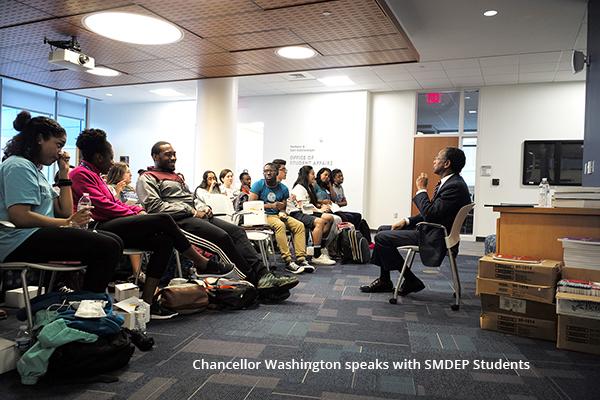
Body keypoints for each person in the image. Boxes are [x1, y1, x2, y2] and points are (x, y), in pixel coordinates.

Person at [70, 129, 236, 317]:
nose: (112, 162)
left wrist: (138, 211)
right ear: (99, 157)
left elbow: (115, 203)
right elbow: (103, 207)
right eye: (110, 158)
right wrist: (137, 213)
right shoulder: (79, 174)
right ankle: (200, 262)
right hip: (98, 227)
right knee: (163, 218)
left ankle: (148, 303)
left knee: (164, 240)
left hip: (115, 223)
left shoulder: (97, 176)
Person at [137, 141, 298, 302]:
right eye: (168, 154)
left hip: (195, 215)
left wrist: (204, 207)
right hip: (176, 221)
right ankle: (254, 281)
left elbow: (192, 199)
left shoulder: (176, 177)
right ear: (155, 156)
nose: (173, 157)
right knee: (221, 238)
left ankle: (263, 274)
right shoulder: (147, 178)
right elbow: (155, 207)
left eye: (174, 154)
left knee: (237, 232)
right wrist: (192, 211)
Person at [0, 111, 120, 293]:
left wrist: (64, 173)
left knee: (114, 241)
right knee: (107, 246)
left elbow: (64, 210)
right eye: (58, 145)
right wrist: (67, 223)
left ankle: (86, 301)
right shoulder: (17, 165)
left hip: (34, 234)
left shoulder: (35, 170)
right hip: (17, 239)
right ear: (40, 138)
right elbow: (20, 217)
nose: (60, 152)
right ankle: (88, 304)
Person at [360, 147, 471, 296]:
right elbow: (434, 211)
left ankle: (410, 279)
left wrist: (421, 189)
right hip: (434, 230)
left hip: (436, 237)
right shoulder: (451, 183)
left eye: (437, 157)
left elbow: (430, 214)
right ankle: (385, 280)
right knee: (381, 230)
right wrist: (406, 221)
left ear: (446, 163)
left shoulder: (454, 186)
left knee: (381, 237)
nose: (434, 161)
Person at [249, 163, 314, 274]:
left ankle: (301, 259)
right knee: (280, 225)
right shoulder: (258, 185)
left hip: (278, 215)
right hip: (263, 216)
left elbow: (283, 206)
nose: (268, 173)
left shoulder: (283, 188)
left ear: (276, 173)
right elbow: (250, 205)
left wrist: (282, 212)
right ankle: (288, 261)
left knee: (299, 225)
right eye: (266, 171)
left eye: (271, 171)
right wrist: (270, 206)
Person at [289, 166, 336, 266]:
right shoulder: (299, 188)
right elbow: (303, 207)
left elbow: (310, 205)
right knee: (320, 222)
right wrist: (319, 210)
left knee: (329, 218)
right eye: (312, 174)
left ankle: (319, 247)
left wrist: (320, 209)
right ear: (306, 175)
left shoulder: (308, 187)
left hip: (305, 212)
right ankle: (316, 255)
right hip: (297, 213)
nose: (314, 176)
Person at [330, 168, 372, 243]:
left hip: (339, 209)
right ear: (334, 178)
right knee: (350, 217)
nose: (342, 178)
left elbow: (345, 202)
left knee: (358, 215)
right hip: (333, 211)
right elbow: (333, 202)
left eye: (342, 176)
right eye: (339, 176)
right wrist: (338, 203)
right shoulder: (331, 187)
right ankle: (349, 239)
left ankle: (356, 237)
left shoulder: (340, 188)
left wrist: (338, 203)